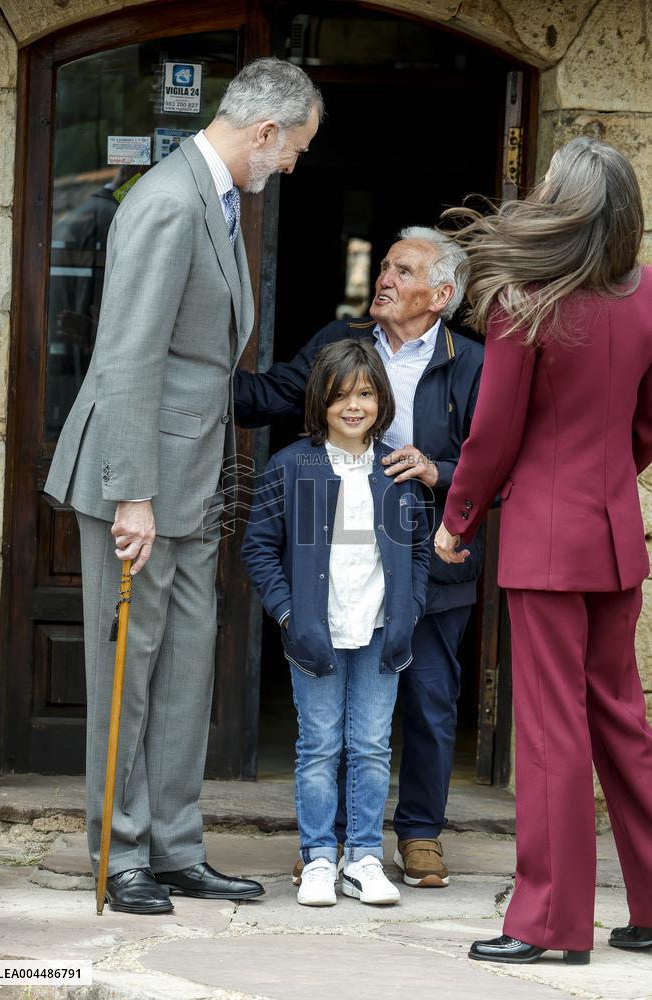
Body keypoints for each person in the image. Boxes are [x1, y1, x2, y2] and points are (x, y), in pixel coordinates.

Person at [44, 58, 323, 914]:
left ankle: (174, 847)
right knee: (129, 670)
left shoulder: (219, 196)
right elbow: (128, 352)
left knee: (185, 666)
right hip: (144, 482)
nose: (293, 164)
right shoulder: (169, 200)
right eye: (296, 148)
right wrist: (132, 492)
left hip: (195, 479)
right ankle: (121, 852)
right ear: (266, 130)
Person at [434, 137, 652, 964]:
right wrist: (605, 481)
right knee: (621, 722)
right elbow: (646, 424)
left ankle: (548, 924)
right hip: (612, 534)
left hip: (544, 539)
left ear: (563, 205)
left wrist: (458, 517)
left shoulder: (524, 302)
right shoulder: (645, 294)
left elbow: (491, 435)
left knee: (551, 732)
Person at [236, 227, 484, 888]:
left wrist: (438, 471)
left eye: (402, 271)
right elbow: (274, 396)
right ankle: (331, 843)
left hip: (432, 553)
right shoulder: (340, 342)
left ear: (440, 295)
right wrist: (196, 376)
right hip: (341, 560)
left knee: (428, 700)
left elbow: (496, 461)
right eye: (385, 267)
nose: (385, 279)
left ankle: (420, 834)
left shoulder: (472, 362)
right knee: (331, 722)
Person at [241, 340, 430, 906]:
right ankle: (320, 856)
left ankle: (364, 857)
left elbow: (420, 551)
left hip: (380, 631)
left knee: (371, 747)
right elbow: (258, 548)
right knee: (319, 746)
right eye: (340, 394)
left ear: (382, 401)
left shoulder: (397, 470)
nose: (354, 406)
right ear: (320, 401)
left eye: (366, 393)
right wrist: (288, 613)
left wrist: (410, 608)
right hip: (314, 633)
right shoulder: (290, 467)